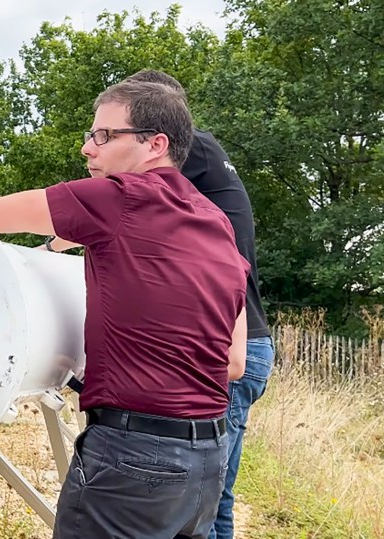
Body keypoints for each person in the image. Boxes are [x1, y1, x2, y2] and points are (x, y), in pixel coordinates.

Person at [0, 79, 249, 538]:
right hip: (207, 461)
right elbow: (234, 363)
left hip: (134, 463)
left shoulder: (120, 198)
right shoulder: (217, 224)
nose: (86, 149)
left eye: (103, 136)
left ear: (155, 144)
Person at [124, 69, 276, 539]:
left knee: (193, 507)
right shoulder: (202, 169)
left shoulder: (194, 153)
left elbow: (115, 196)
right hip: (245, 345)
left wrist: (52, 245)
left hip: (226, 351)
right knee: (213, 501)